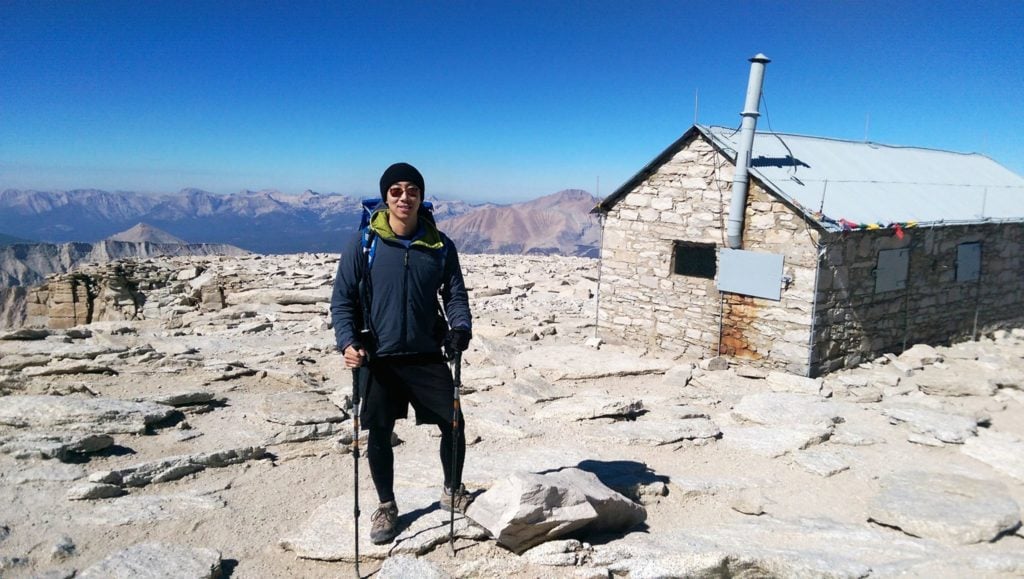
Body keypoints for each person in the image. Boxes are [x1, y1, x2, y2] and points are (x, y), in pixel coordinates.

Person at [330, 162, 473, 545]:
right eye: (396, 191)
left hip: (427, 353)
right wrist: (347, 342)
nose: (404, 197)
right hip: (379, 355)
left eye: (412, 190)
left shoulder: (441, 246)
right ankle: (387, 506)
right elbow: (342, 300)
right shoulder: (364, 244)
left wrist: (460, 328)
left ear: (422, 197)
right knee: (378, 431)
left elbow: (455, 294)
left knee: (454, 423)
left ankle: (452, 489)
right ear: (385, 197)